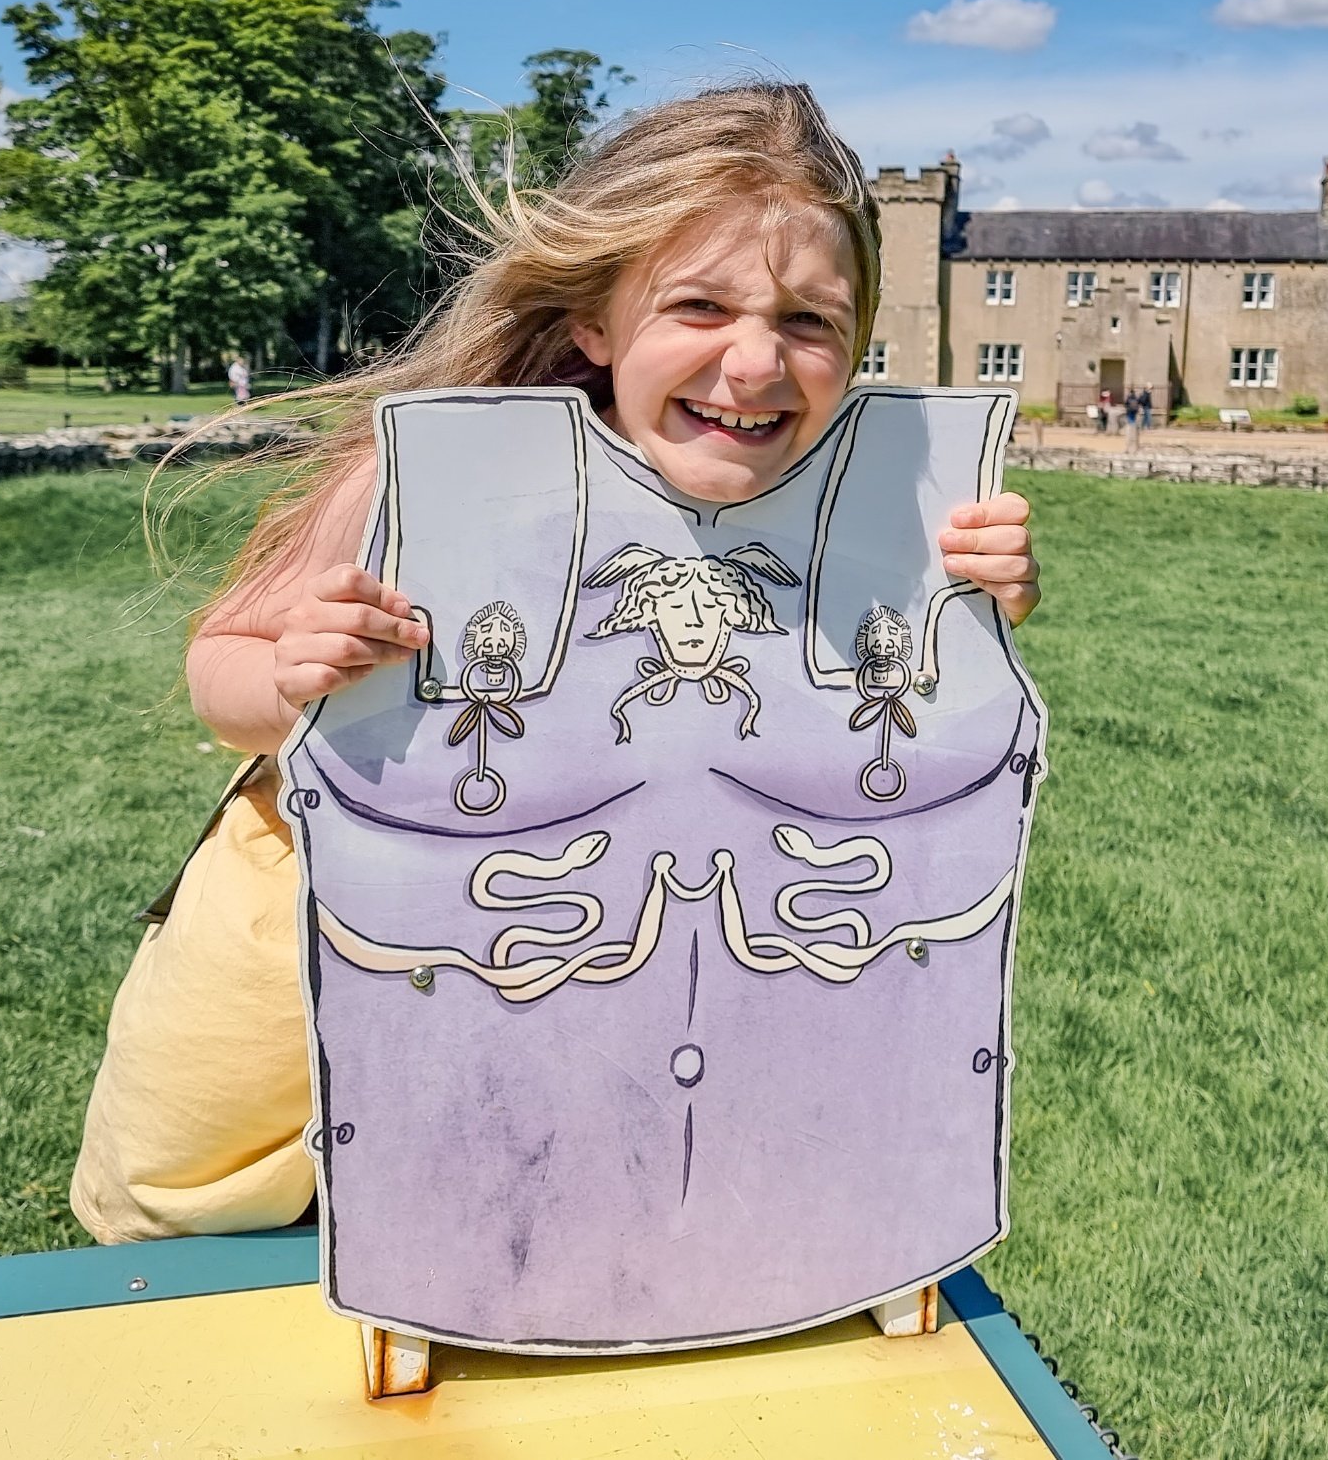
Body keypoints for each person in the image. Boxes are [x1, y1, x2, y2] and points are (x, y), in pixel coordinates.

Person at [67, 83, 1043, 1243]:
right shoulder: (422, 483)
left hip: (554, 1005)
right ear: (595, 319)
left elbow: (889, 747)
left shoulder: (863, 524)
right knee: (197, 1312)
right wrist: (288, 670)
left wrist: (969, 606)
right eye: (699, 303)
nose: (754, 361)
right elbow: (218, 666)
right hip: (281, 986)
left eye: (810, 322)